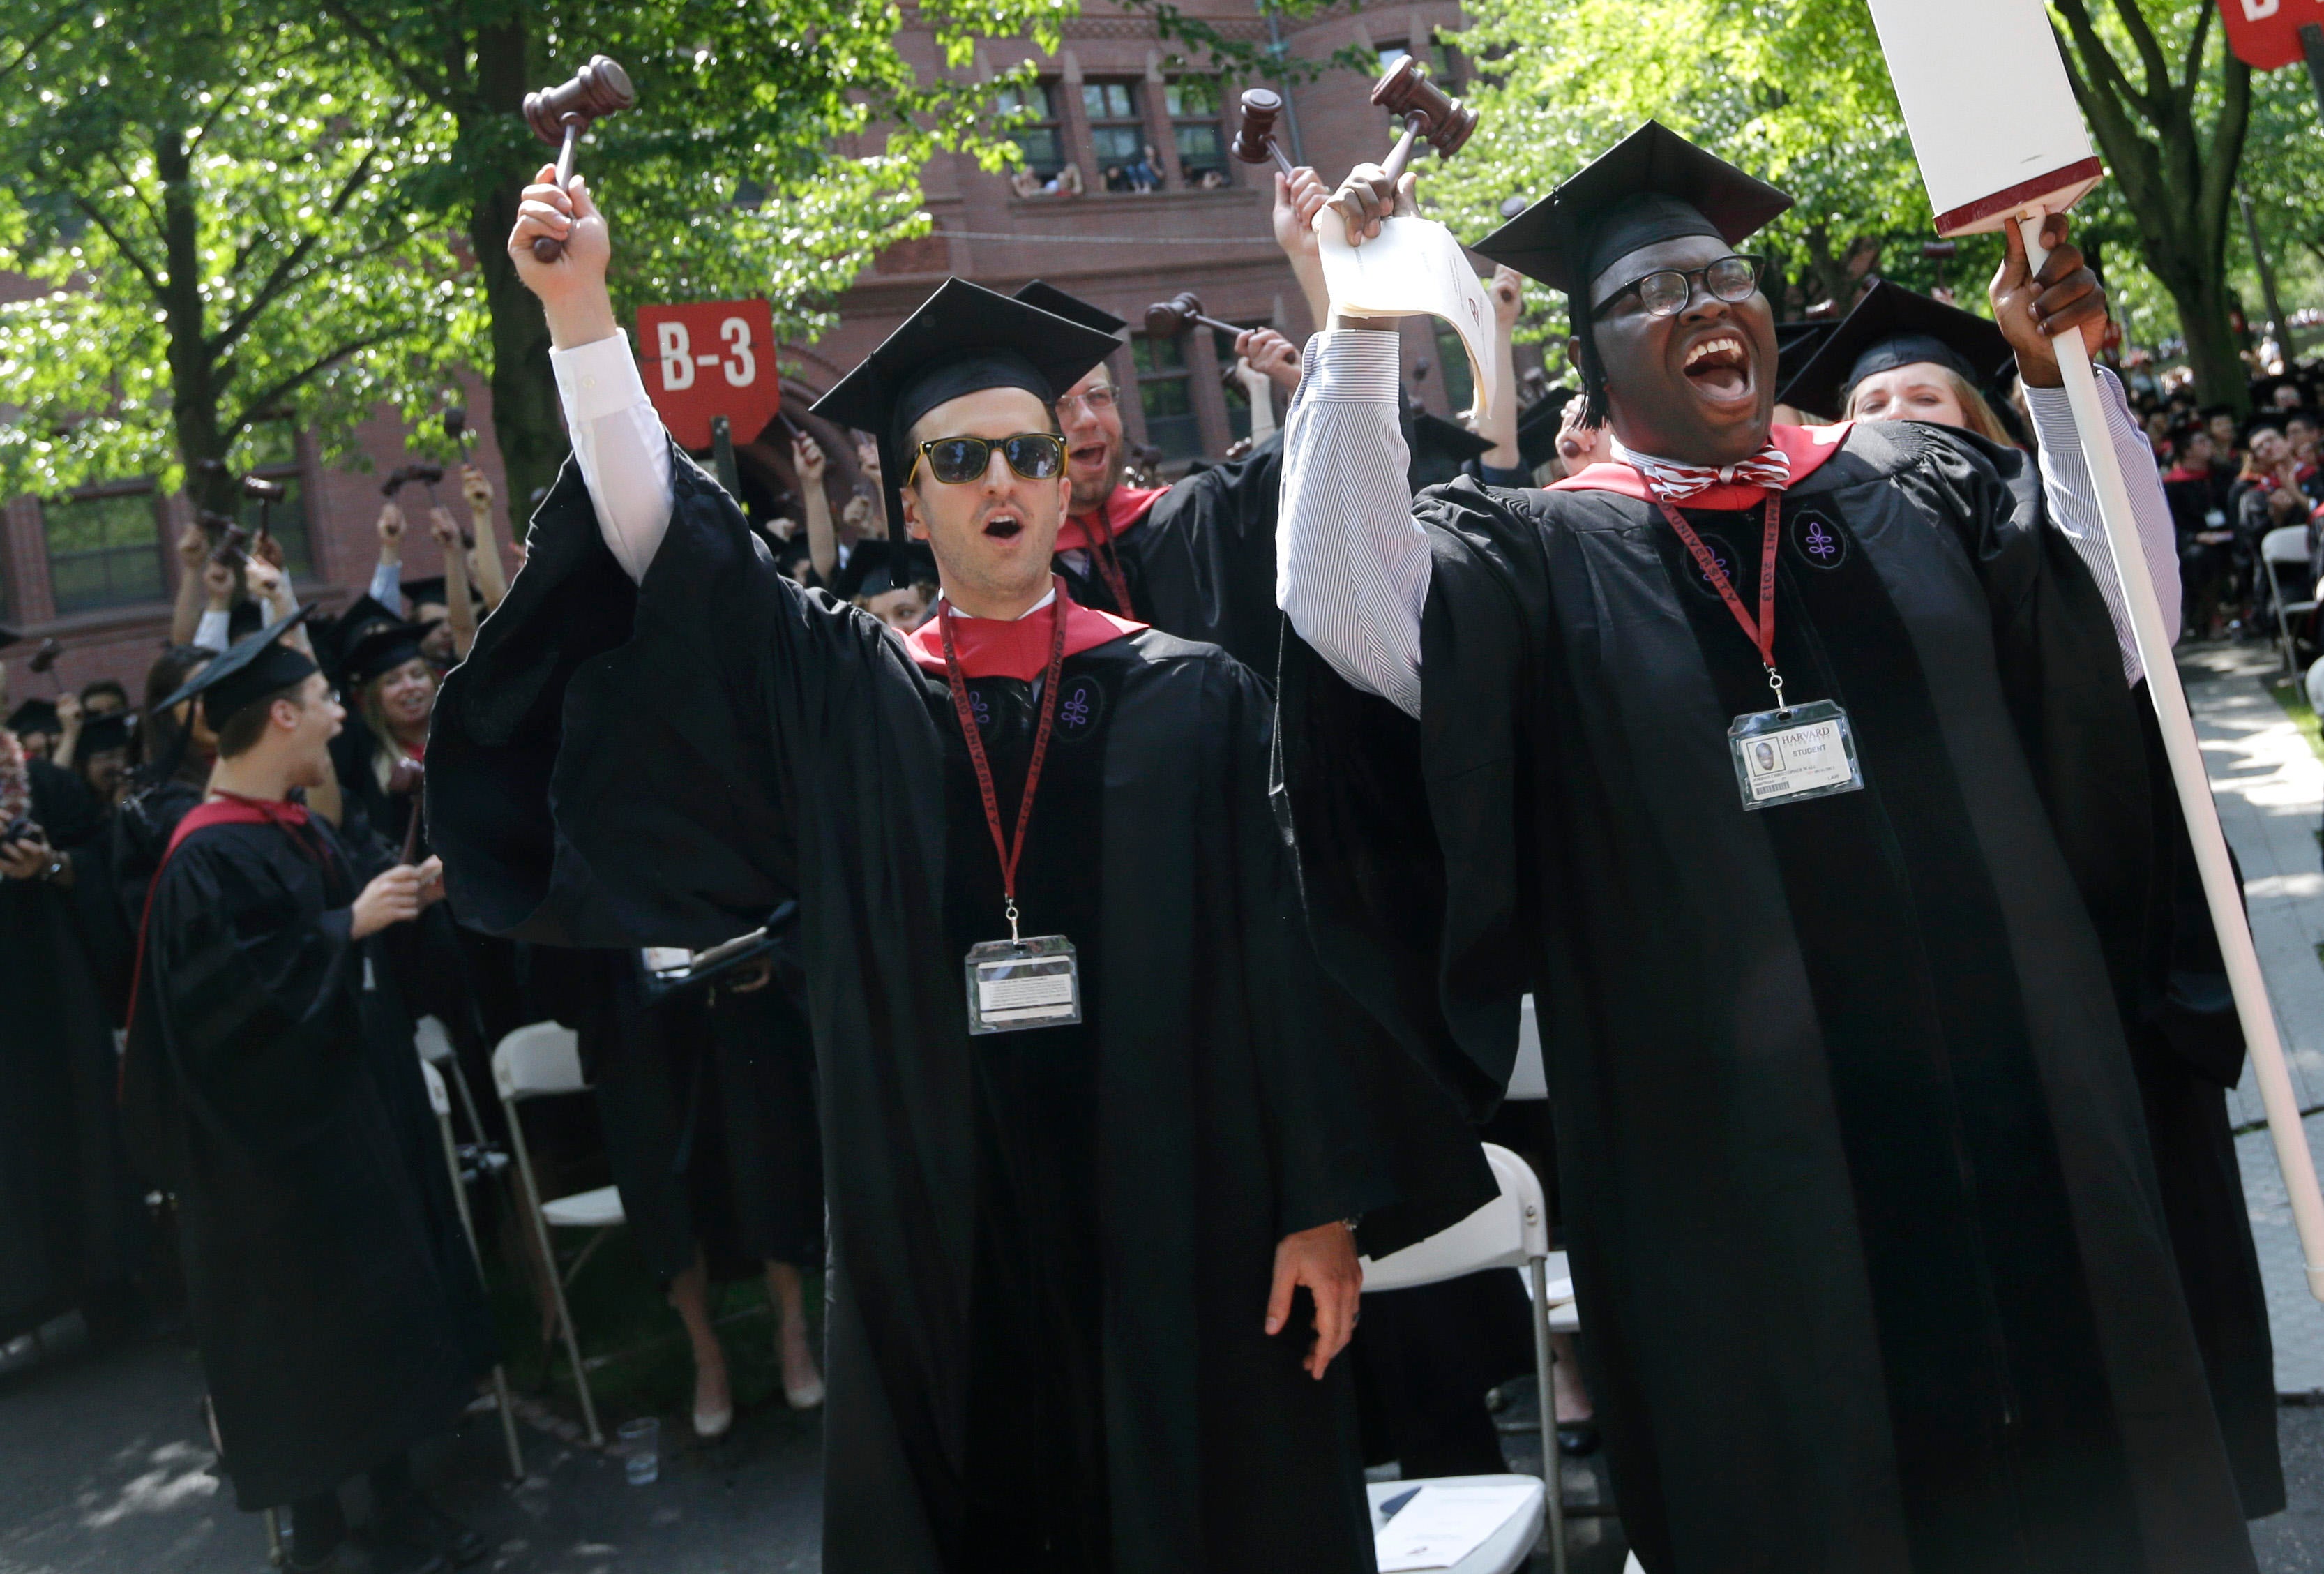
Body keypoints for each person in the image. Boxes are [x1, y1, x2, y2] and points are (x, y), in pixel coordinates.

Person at [432, 163, 1490, 1571]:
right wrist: (583, 314)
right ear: (906, 501)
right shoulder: (850, 694)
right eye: (962, 458)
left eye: (1032, 452)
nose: (1005, 479)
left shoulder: (1191, 696)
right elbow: (670, 545)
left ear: (1066, 485)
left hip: (1186, 1215)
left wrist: (1316, 1203)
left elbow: (1279, 961)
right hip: (941, 1222)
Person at [1276, 121, 2259, 1569]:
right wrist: (1356, 334)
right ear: (1596, 359)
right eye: (1656, 293)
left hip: (2019, 1119)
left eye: (1725, 278)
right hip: (1732, 1179)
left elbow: (2122, 628)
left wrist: (2056, 386)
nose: (1707, 307)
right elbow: (1349, 613)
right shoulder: (1539, 557)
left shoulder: (1908, 485)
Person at [120, 610, 496, 1574]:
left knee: (364, 1336)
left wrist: (404, 898)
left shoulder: (286, 833)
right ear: (281, 716)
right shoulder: (207, 858)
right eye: (327, 700)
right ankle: (333, 1531)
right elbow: (236, 1012)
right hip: (271, 1171)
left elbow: (337, 946)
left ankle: (395, 1509)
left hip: (340, 1138)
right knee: (310, 1349)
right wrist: (346, 929)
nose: (341, 713)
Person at [534, 932, 827, 1438]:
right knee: (662, 1185)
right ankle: (705, 1353)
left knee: (763, 1158)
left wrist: (769, 943)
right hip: (633, 1003)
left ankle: (792, 1330)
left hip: (730, 990)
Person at [1, 709, 149, 1352]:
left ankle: (107, 1291)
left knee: (79, 1131)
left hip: (53, 1002)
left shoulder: (45, 787)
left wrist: (52, 866)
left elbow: (95, 861)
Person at [1778, 279, 2018, 441]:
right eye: (1873, 406)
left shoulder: (2024, 505)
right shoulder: (1822, 515)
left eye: (1926, 399)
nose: (1896, 413)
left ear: (1969, 415)